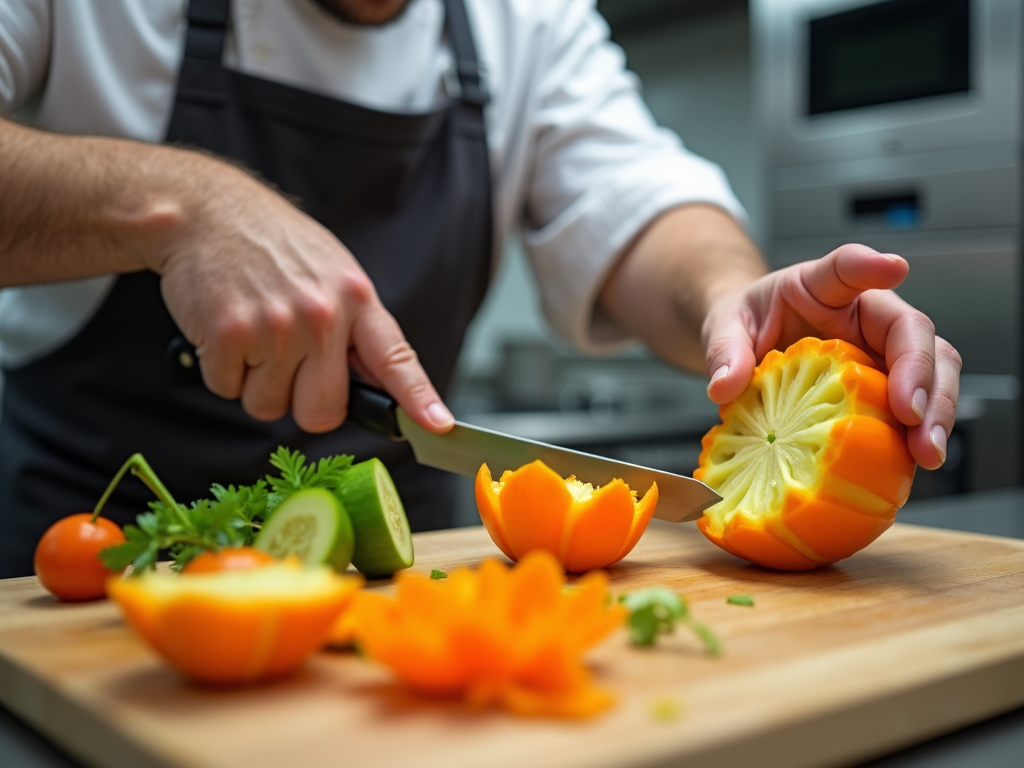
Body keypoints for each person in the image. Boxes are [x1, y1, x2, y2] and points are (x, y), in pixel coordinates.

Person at [0, 0, 960, 579]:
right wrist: (177, 203)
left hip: (396, 570)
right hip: (89, 564)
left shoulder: (526, 19)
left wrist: (734, 298)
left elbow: (637, 199)